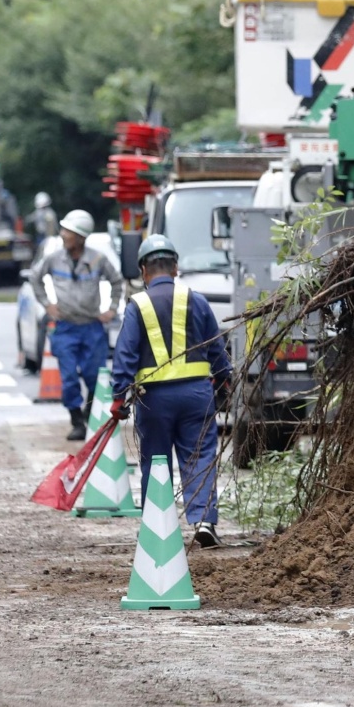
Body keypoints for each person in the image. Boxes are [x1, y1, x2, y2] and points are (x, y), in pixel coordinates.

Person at [110, 234, 233, 548]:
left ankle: (157, 526)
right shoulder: (196, 298)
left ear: (143, 271)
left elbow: (124, 353)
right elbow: (215, 347)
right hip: (196, 395)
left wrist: (118, 396)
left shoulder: (137, 305)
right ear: (176, 267)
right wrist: (224, 379)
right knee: (200, 456)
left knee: (156, 460)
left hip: (154, 400)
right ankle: (204, 520)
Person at [25, 209, 126, 440]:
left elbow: (117, 281)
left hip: (92, 327)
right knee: (69, 377)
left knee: (94, 376)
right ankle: (76, 421)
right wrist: (47, 305)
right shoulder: (53, 259)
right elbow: (35, 277)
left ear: (80, 237)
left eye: (67, 232)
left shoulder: (97, 260)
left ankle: (89, 413)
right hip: (66, 327)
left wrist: (111, 308)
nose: (62, 235)